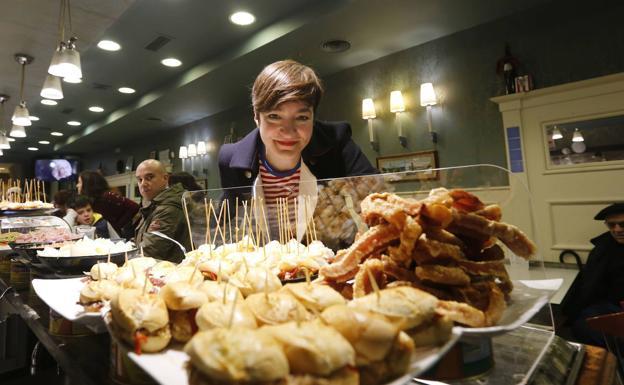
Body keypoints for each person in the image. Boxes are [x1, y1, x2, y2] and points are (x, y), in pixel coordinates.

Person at [218, 60, 376, 239]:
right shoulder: (231, 159)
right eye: (274, 116)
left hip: (326, 260)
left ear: (313, 117)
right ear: (256, 116)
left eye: (301, 117)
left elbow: (376, 199)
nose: (288, 131)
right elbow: (226, 226)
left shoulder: (336, 142)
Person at [562, 203, 624, 347]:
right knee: (582, 325)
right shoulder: (603, 248)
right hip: (610, 305)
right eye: (612, 225)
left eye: (622, 224)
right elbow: (589, 283)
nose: (617, 230)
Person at [134, 159, 190, 262]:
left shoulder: (168, 207)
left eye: (149, 177)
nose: (143, 184)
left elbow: (149, 251)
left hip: (170, 273)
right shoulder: (156, 204)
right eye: (139, 179)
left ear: (165, 178)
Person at [77, 171, 140, 240]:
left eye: (79, 182)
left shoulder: (107, 196)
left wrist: (118, 225)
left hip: (119, 235)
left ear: (87, 184)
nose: (77, 185)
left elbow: (134, 207)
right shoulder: (91, 200)